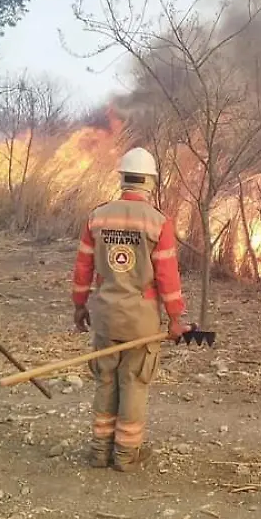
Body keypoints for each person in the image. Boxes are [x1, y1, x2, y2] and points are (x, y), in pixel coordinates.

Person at [72, 147, 188, 472]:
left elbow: (82, 268)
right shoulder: (158, 222)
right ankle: (125, 455)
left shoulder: (97, 217)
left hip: (105, 315)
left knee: (105, 381)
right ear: (150, 181)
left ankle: (99, 452)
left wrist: (79, 307)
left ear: (122, 178)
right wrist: (176, 317)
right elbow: (167, 275)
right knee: (134, 383)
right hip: (141, 318)